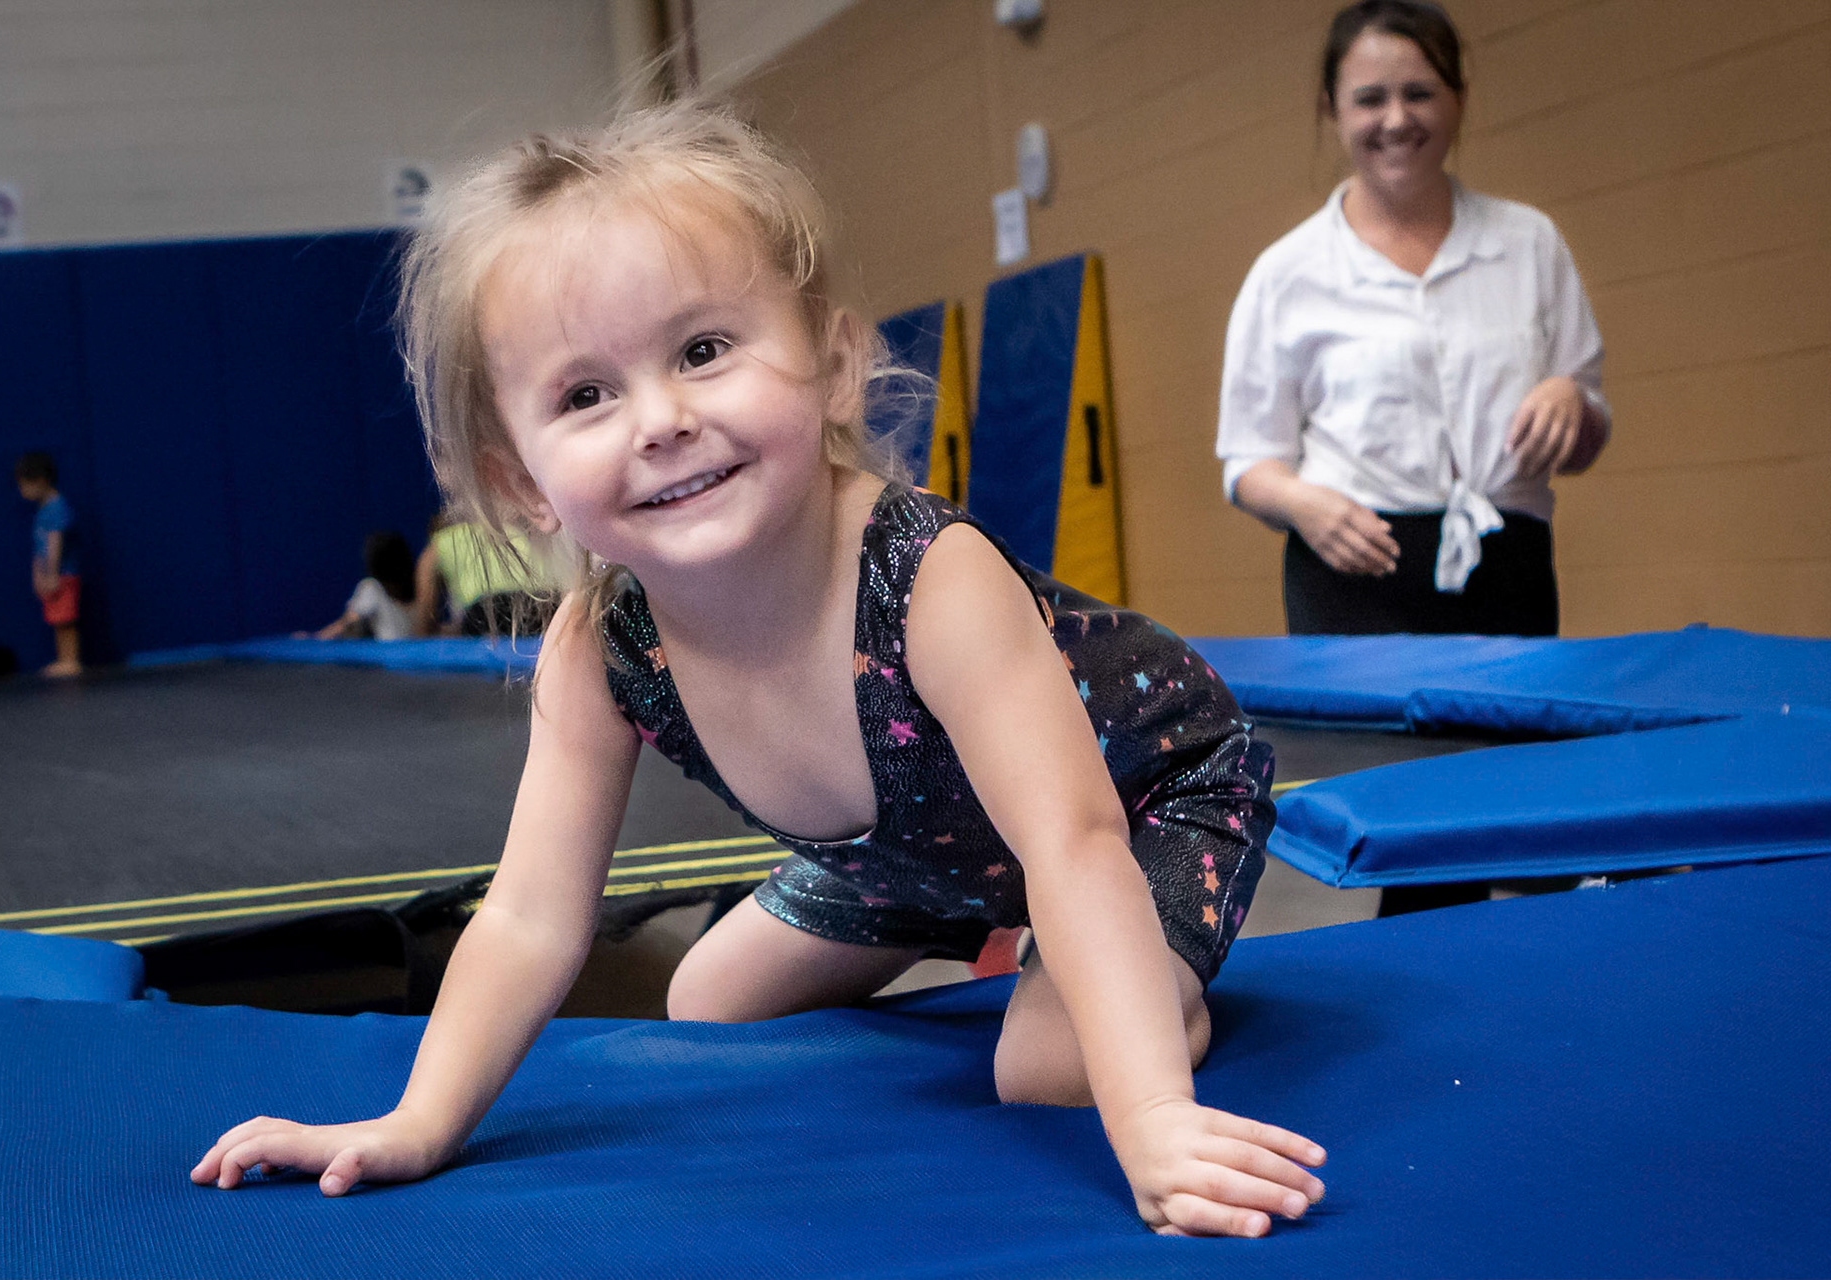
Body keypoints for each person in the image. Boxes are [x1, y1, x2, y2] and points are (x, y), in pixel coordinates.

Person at [191, 99, 1326, 1238]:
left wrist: (1152, 1119)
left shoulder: (926, 579)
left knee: (1042, 1065)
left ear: (830, 366)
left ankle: (1127, 993)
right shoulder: (603, 651)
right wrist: (417, 1120)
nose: (663, 418)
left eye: (702, 349)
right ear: (525, 479)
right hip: (914, 857)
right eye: (586, 394)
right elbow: (532, 913)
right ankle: (1012, 942)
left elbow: (1071, 845)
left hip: (1140, 806)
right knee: (709, 996)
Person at [1217, 0, 1610, 640]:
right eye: (1370, 98)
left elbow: (1586, 438)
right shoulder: (1287, 273)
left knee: (1520, 745)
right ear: (1331, 107)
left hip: (1509, 572)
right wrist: (1302, 506)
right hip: (1353, 575)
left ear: (1457, 98)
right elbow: (1247, 462)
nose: (1396, 119)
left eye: (1420, 93)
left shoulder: (1529, 243)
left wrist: (1574, 400)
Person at [411, 511, 551, 637]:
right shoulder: (513, 531)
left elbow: (425, 615)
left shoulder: (438, 544)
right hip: (540, 605)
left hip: (485, 610)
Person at [14, 451, 81, 677]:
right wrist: (38, 576)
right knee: (57, 619)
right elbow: (38, 548)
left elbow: (55, 543)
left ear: (40, 481)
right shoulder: (43, 511)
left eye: (24, 485)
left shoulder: (56, 507)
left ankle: (70, 660)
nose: (22, 492)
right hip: (51, 574)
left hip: (64, 574)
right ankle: (64, 659)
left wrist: (52, 574)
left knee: (65, 619)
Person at [311, 531, 417, 640]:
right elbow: (350, 623)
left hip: (398, 654)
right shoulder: (374, 588)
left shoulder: (371, 587)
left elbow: (348, 622)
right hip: (408, 653)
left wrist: (315, 638)